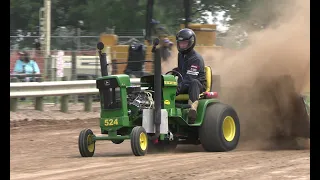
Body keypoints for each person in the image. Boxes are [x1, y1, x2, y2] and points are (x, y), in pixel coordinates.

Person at [174, 28, 206, 124]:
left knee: (194, 82)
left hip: (197, 85)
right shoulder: (180, 55)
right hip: (184, 83)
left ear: (191, 43)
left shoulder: (196, 58)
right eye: (180, 43)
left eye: (185, 43)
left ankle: (193, 109)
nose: (182, 45)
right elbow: (181, 71)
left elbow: (189, 79)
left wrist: (175, 91)